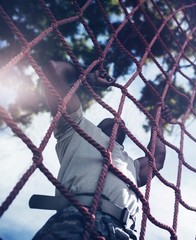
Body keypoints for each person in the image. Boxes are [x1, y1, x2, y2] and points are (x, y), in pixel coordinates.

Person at [30, 60, 171, 239]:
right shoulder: (76, 128)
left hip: (124, 232)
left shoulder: (130, 164)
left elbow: (157, 159)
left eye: (121, 122)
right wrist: (86, 76)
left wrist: (157, 122)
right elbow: (53, 69)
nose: (117, 119)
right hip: (76, 217)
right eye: (111, 119)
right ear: (98, 126)